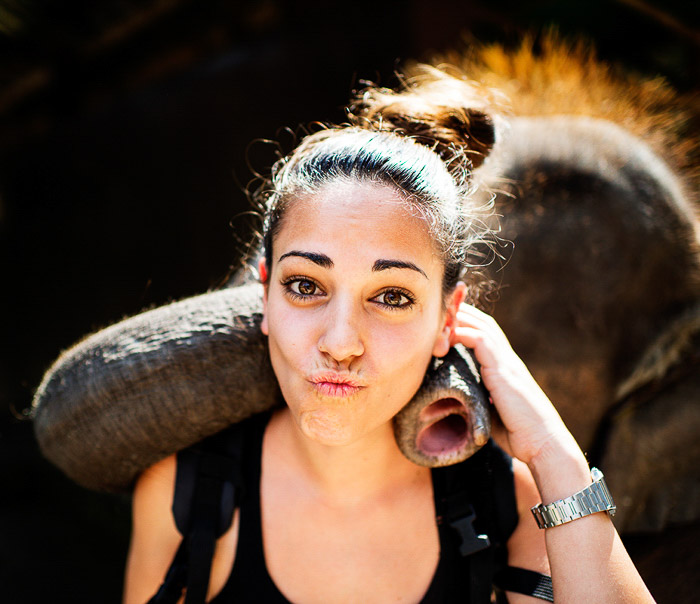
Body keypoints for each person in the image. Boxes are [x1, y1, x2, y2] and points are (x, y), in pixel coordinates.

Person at [123, 68, 655, 603]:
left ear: (448, 320)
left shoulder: (505, 504)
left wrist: (551, 453)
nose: (340, 342)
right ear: (265, 296)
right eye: (305, 285)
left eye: (392, 297)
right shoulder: (187, 495)